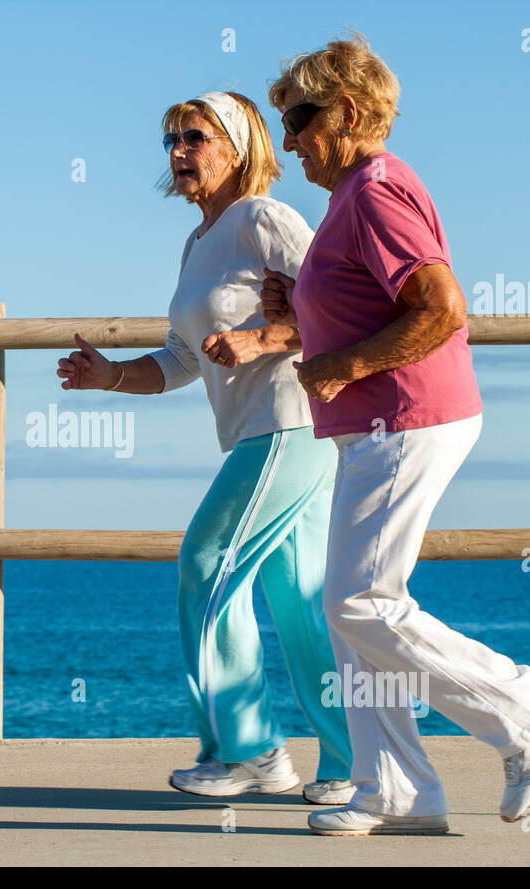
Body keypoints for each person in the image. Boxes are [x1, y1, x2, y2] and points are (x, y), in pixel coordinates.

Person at [262, 34, 530, 835]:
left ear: (352, 112)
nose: (289, 139)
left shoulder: (372, 190)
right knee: (353, 610)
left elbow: (441, 306)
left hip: (404, 417)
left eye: (298, 117)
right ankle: (395, 789)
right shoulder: (355, 197)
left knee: (361, 600)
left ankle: (523, 707)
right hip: (381, 422)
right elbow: (372, 301)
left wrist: (341, 366)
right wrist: (299, 310)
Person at [56, 91, 353, 802]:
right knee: (301, 605)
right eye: (171, 140)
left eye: (196, 136)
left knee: (206, 562)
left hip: (291, 425)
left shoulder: (265, 219)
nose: (179, 151)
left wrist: (262, 338)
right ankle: (354, 766)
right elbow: (184, 361)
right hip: (258, 436)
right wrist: (111, 377)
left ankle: (247, 751)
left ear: (241, 147)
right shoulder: (199, 243)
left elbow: (341, 308)